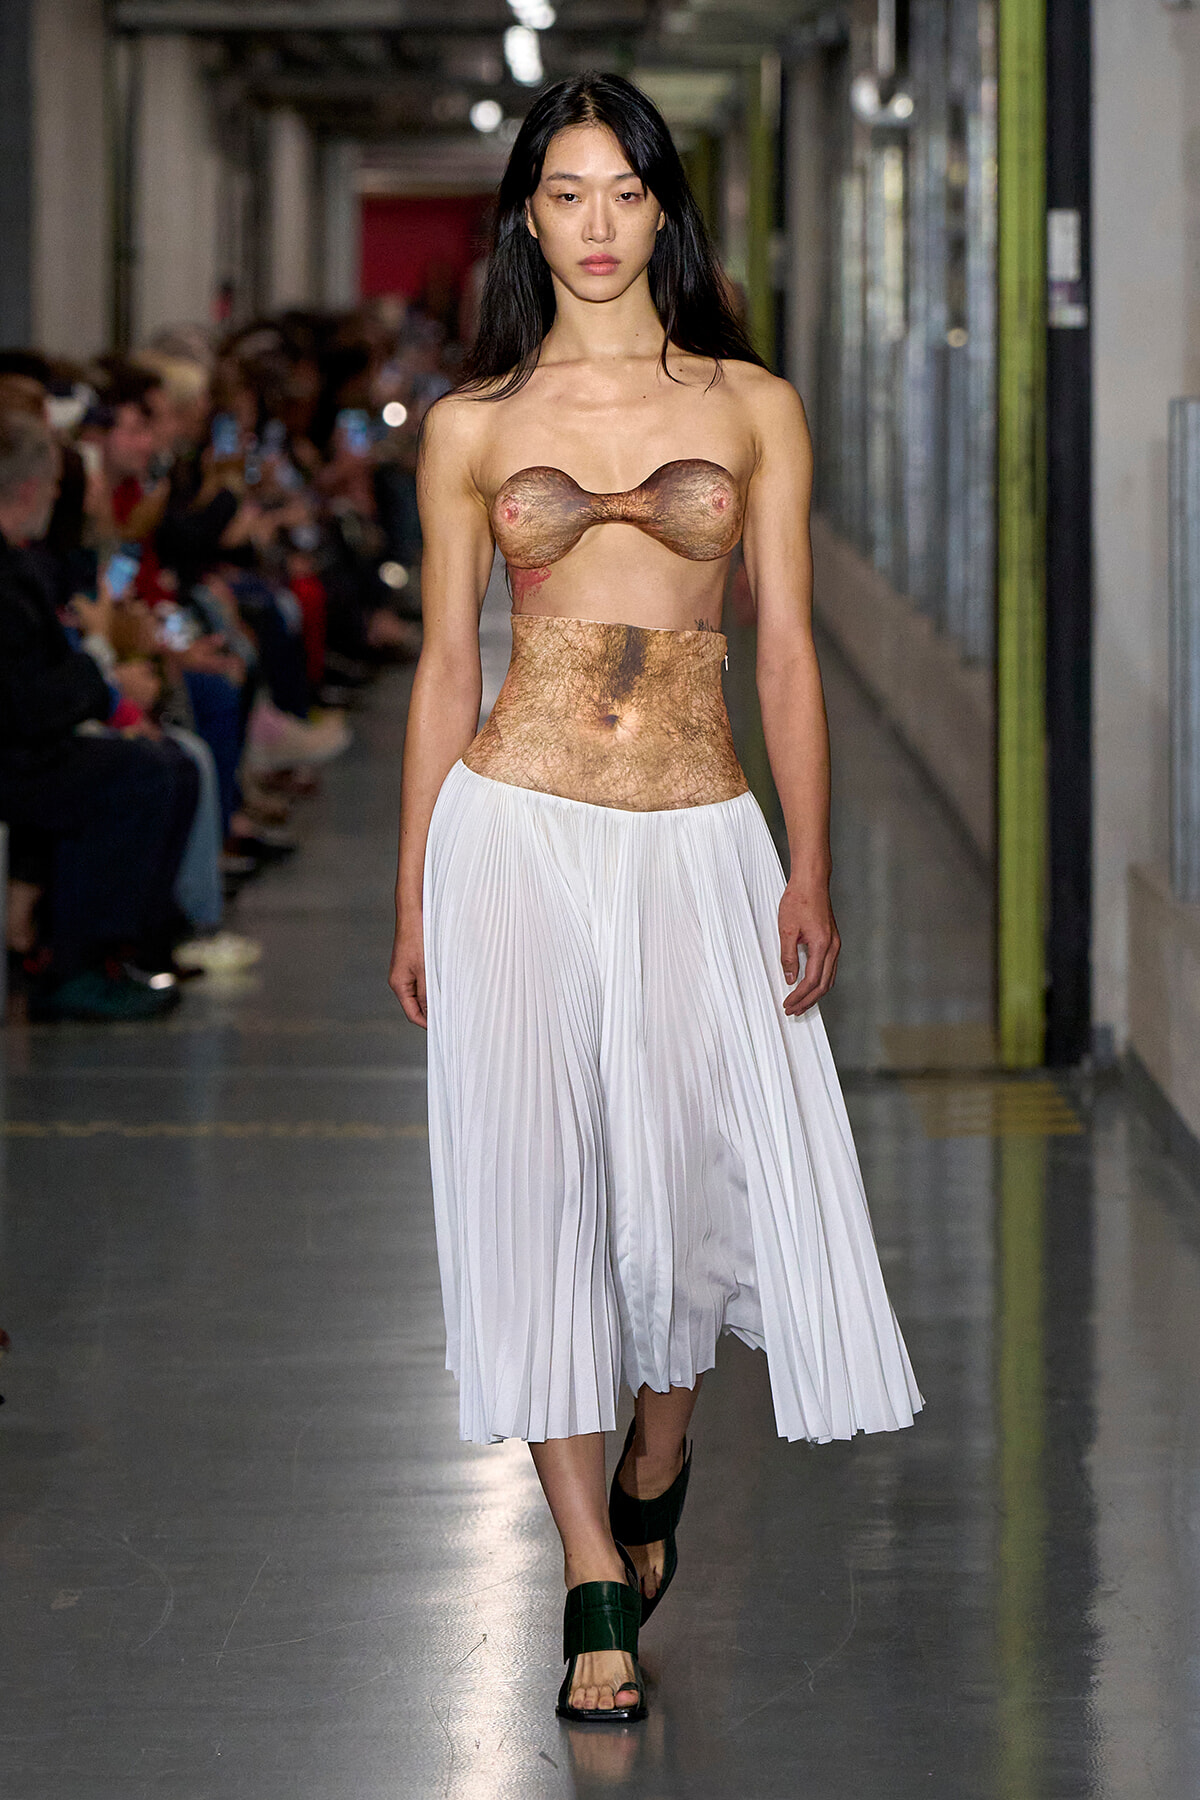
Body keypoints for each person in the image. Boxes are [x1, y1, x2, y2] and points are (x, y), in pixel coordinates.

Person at [389, 74, 923, 1725]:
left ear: (663, 209)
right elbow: (445, 666)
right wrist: (414, 894)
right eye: (567, 194)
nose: (599, 224)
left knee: (688, 1182)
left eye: (626, 191)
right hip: (515, 829)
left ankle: (662, 1448)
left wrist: (809, 863)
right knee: (534, 1179)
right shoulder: (476, 421)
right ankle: (588, 1576)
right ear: (527, 218)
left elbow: (781, 649)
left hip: (697, 826)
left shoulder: (751, 403)